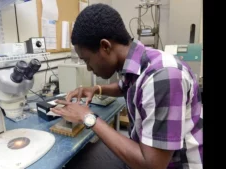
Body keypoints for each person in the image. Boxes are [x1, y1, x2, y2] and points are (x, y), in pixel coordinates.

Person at [51, 3, 203, 169]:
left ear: (105, 46)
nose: (88, 68)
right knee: (78, 159)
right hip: (143, 149)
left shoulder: (164, 76)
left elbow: (152, 165)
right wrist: (96, 89)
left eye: (87, 60)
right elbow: (125, 86)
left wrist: (88, 117)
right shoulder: (138, 62)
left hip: (173, 164)